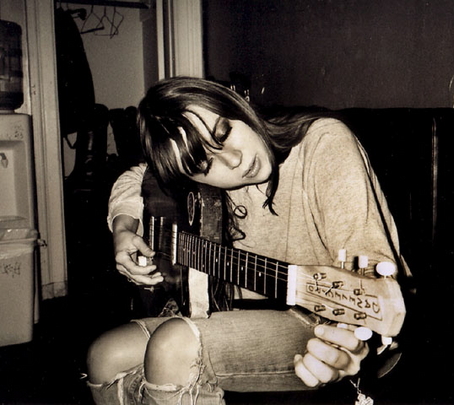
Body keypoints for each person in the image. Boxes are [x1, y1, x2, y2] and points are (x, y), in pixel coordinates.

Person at [86, 76, 410, 404]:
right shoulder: (198, 184)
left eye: (223, 133)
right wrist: (123, 229)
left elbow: (369, 270)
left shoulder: (324, 141)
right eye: (204, 164)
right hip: (252, 311)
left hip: (320, 321)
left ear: (236, 105)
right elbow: (137, 177)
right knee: (105, 355)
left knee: (174, 344)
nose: (233, 160)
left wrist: (348, 343)